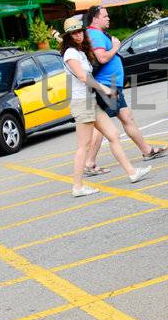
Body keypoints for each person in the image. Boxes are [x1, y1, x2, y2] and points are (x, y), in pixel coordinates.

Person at [61, 15, 150, 195]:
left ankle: (132, 173)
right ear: (68, 37)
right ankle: (77, 187)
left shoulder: (80, 52)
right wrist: (105, 89)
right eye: (73, 33)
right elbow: (82, 77)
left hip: (91, 100)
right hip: (82, 102)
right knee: (83, 146)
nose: (78, 35)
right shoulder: (70, 53)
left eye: (79, 31)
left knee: (114, 135)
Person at [81, 3, 167, 176]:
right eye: (105, 16)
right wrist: (115, 47)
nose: (108, 18)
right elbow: (102, 57)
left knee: (127, 118)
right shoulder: (95, 35)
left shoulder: (97, 34)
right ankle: (89, 163)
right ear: (95, 18)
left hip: (113, 85)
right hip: (107, 86)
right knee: (102, 127)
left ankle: (147, 150)